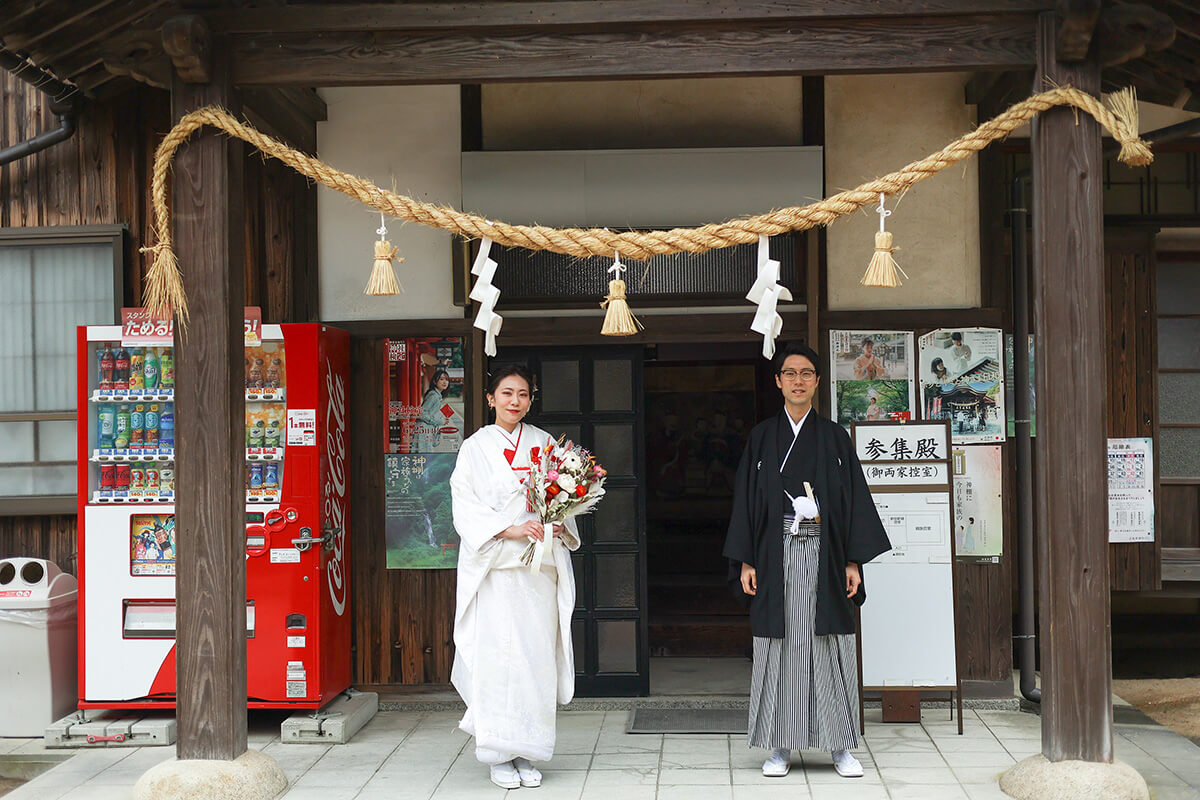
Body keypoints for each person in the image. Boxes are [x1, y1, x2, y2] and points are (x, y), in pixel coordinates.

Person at [723, 341, 892, 780]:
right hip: (774, 554)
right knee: (778, 649)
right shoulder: (762, 437)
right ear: (778, 381)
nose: (798, 381)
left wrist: (854, 560)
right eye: (790, 373)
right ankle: (780, 747)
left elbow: (852, 500)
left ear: (817, 382)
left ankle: (840, 747)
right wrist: (746, 560)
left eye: (806, 374)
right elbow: (746, 501)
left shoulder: (835, 437)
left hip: (826, 556)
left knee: (829, 646)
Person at [450, 364, 581, 790]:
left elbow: (563, 498)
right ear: (491, 399)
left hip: (537, 572)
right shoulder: (474, 448)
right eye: (506, 393)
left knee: (535, 659)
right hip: (496, 572)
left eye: (523, 394)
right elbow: (465, 507)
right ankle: (497, 753)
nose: (515, 402)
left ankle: (530, 749)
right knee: (498, 660)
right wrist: (510, 528)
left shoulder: (545, 443)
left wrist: (559, 523)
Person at [414, 368, 451, 451]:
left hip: (425, 430)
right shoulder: (434, 396)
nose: (445, 382)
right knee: (424, 458)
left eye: (447, 380)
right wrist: (440, 421)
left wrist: (442, 419)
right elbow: (421, 413)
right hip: (423, 431)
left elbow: (430, 413)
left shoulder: (437, 396)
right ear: (435, 381)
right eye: (441, 379)